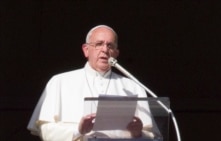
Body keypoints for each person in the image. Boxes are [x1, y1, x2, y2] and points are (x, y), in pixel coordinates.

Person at [27, 25, 155, 141]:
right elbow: (45, 130)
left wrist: (138, 134)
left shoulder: (132, 86)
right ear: (86, 50)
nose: (105, 49)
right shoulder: (60, 82)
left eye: (110, 45)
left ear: (116, 53)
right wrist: (78, 131)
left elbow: (151, 136)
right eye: (99, 44)